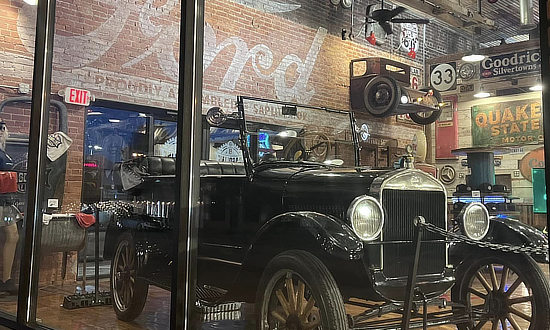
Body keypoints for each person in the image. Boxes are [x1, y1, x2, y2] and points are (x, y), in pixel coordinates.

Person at [0, 119, 19, 295]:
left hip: (5, 200)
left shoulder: (2, 151)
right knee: (12, 235)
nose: (1, 130)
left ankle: (6, 279)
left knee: (12, 235)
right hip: (2, 200)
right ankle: (5, 279)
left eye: (2, 127)